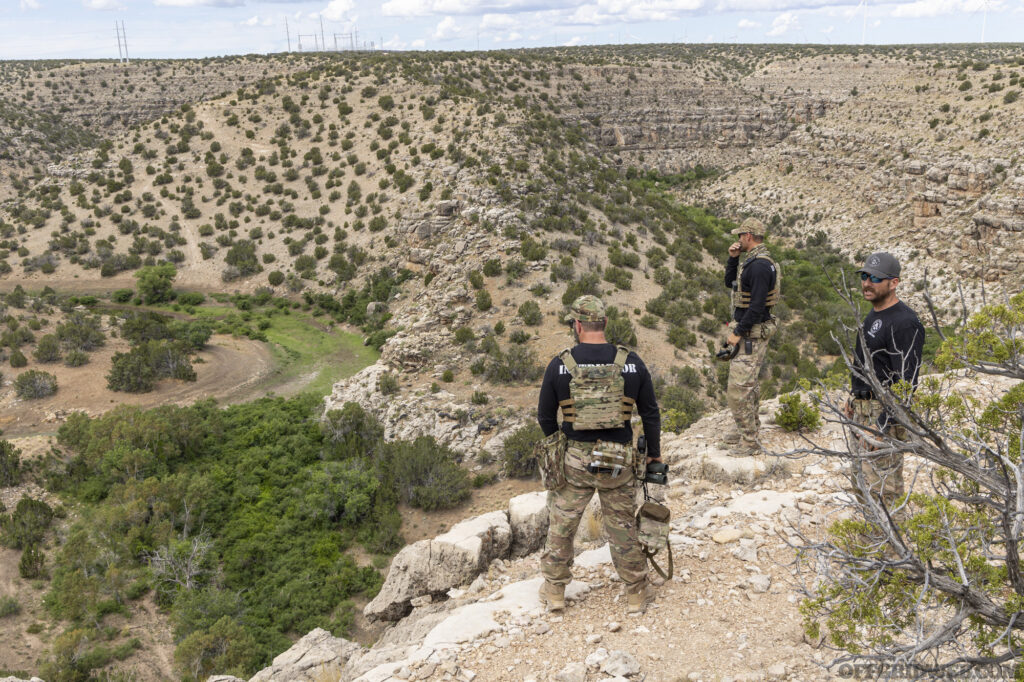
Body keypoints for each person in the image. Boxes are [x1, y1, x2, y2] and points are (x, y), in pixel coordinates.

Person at [536, 295, 662, 615]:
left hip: (575, 462)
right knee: (623, 529)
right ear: (604, 323)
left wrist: (560, 446)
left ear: (577, 326)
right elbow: (650, 414)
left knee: (562, 525)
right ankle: (636, 592)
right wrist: (653, 455)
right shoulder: (631, 362)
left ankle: (554, 591)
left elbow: (545, 417)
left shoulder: (559, 364)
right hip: (618, 463)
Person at [844, 252, 925, 508]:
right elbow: (870, 365)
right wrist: (854, 397)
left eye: (876, 278)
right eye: (865, 276)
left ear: (894, 283)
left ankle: (892, 548)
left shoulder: (904, 322)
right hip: (863, 410)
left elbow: (905, 384)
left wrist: (882, 425)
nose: (867, 283)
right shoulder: (874, 314)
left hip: (882, 416)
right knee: (863, 486)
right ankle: (872, 544)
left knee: (884, 493)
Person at [721, 217, 780, 457]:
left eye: (740, 236)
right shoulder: (753, 261)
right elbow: (729, 283)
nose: (737, 240)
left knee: (738, 390)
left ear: (748, 236)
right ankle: (748, 428)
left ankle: (749, 442)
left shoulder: (759, 266)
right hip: (749, 331)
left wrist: (737, 333)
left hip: (750, 333)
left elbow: (756, 308)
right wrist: (732, 260)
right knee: (749, 385)